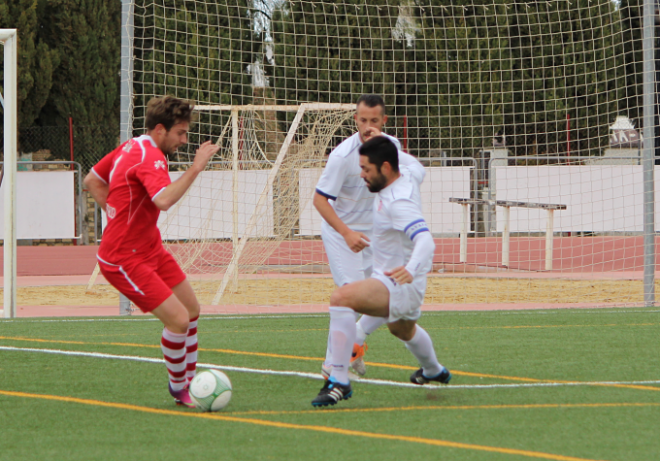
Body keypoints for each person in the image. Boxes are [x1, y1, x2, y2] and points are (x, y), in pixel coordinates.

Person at [83, 96, 219, 407]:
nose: (184, 141)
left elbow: (92, 180)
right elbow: (163, 200)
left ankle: (192, 381)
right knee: (179, 321)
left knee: (192, 310)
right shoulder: (151, 157)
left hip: (149, 248)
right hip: (123, 258)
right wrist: (196, 168)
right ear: (160, 129)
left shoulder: (134, 145)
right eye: (180, 133)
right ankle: (180, 389)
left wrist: (115, 214)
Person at [311, 136, 450, 407]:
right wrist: (385, 141)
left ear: (385, 168)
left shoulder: (397, 202)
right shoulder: (406, 174)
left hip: (397, 283)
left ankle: (338, 378)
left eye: (366, 170)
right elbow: (415, 166)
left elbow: (426, 240)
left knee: (341, 298)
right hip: (408, 284)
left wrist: (409, 269)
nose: (362, 175)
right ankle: (434, 370)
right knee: (402, 329)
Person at [314, 94, 425, 378]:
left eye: (374, 121)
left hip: (376, 235)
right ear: (356, 120)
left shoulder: (393, 148)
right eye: (362, 120)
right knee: (351, 296)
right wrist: (346, 233)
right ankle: (332, 365)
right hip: (342, 234)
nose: (367, 127)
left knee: (393, 294)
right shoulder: (342, 156)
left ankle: (356, 344)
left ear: (384, 121)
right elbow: (319, 201)